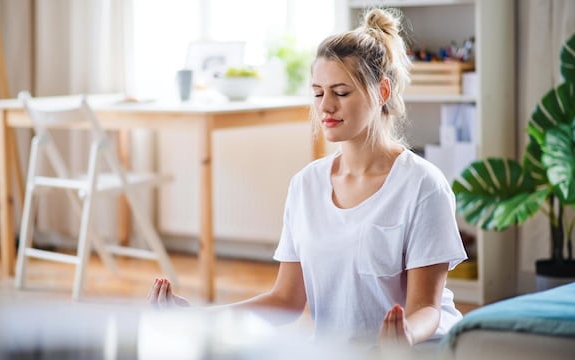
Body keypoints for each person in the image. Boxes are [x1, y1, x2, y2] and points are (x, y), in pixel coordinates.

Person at [148, 7, 467, 351]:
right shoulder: (306, 185)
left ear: (383, 92)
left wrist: (405, 333)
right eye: (318, 93)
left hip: (418, 351)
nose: (326, 106)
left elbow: (427, 309)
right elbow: (285, 300)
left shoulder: (423, 186)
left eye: (341, 92)